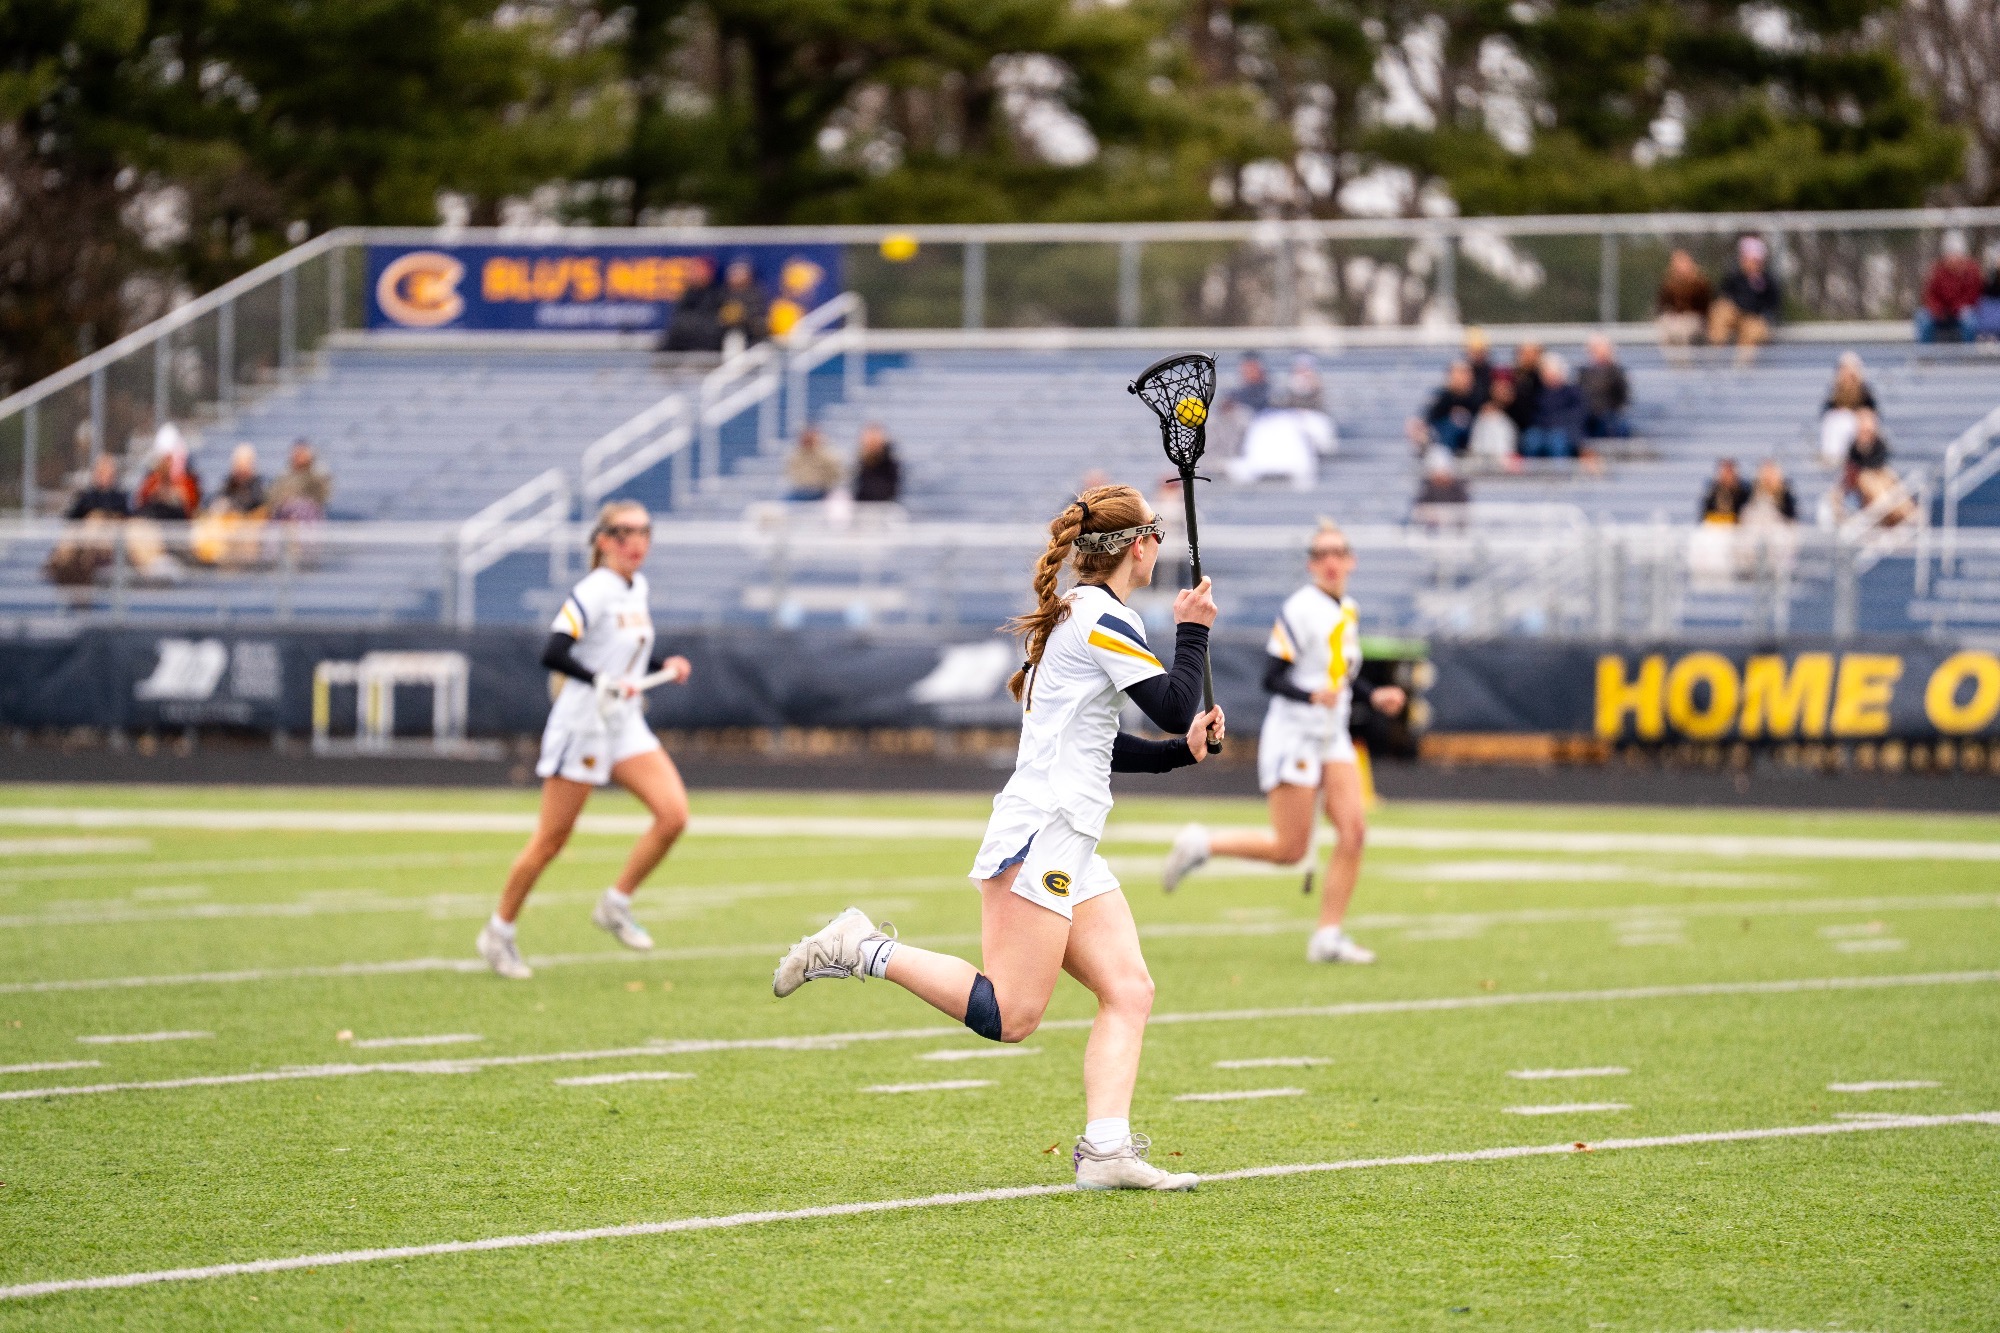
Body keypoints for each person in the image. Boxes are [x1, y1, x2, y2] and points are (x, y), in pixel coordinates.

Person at [771, 484, 1225, 1192]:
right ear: (1138, 545)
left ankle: (1106, 1150)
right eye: (1155, 534)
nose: (1158, 546)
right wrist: (1192, 630)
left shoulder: (1080, 614)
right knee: (1011, 1015)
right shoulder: (1100, 616)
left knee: (1129, 988)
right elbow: (1171, 705)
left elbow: (1098, 744)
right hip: (1041, 835)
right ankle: (862, 947)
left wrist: (1180, 754)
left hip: (1068, 836)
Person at [1163, 519, 1404, 965]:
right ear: (1311, 564)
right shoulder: (1300, 608)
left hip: (1331, 734)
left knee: (1354, 831)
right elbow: (1272, 677)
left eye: (1337, 553)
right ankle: (1203, 844)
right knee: (1291, 849)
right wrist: (1312, 696)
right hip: (1295, 732)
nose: (1330, 562)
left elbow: (1340, 675)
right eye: (1320, 554)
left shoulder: (1347, 609)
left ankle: (1328, 935)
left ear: (1350, 561)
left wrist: (1373, 695)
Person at [477, 501, 694, 980]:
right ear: (604, 540)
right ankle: (498, 930)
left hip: (623, 723)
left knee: (673, 815)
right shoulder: (593, 590)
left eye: (644, 531)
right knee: (551, 840)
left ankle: (616, 903)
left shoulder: (637, 587)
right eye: (625, 532)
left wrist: (664, 665)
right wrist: (601, 681)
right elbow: (554, 651)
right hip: (584, 725)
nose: (636, 542)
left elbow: (623, 650)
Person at [1709, 236, 1782, 366]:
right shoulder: (1734, 277)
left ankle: (1741, 367)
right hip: (1734, 315)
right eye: (1747, 259)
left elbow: (1772, 304)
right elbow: (1722, 296)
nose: (1751, 264)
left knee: (1753, 330)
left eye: (1755, 260)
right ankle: (1715, 357)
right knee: (1721, 309)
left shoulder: (1768, 281)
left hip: (1753, 318)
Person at [1841, 409, 1913, 524]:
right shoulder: (1854, 447)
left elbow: (1879, 462)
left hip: (1879, 478)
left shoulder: (1879, 443)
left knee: (1889, 478)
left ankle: (1903, 511)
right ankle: (1893, 509)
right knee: (1869, 479)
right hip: (1861, 484)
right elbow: (1857, 468)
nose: (1866, 429)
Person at [1916, 233, 1983, 343]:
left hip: (1961, 311)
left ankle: (1969, 352)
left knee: (1970, 321)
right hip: (1940, 312)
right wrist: (1938, 310)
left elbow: (1972, 296)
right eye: (1950, 255)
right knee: (1922, 317)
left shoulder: (1972, 271)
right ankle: (1925, 352)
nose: (1953, 258)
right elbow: (1930, 295)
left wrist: (1954, 309)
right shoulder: (1937, 270)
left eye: (1956, 255)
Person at [1521, 353, 1586, 459]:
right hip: (1541, 430)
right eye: (1546, 373)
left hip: (1564, 431)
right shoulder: (1537, 393)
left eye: (1552, 373)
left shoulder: (1572, 393)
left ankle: (1559, 469)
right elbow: (1532, 416)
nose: (1549, 376)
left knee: (1556, 441)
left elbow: (1576, 416)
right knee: (1531, 439)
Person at [1818, 352, 1877, 467]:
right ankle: (1833, 459)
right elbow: (1826, 412)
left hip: (1858, 427)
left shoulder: (1865, 392)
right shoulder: (1834, 392)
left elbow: (1872, 412)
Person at [1407, 360, 1479, 455]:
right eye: (1460, 374)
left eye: (1467, 374)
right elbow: (1422, 420)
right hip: (1442, 448)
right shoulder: (1441, 397)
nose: (1464, 378)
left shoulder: (1477, 398)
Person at [1655, 250, 1713, 364]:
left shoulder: (1699, 282)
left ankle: (1685, 365)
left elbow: (1705, 305)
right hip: (1675, 318)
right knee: (1665, 327)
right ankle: (1673, 363)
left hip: (1696, 319)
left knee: (1681, 330)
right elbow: (1662, 305)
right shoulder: (1669, 283)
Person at [1578, 335, 1631, 438]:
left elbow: (1622, 397)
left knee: (1613, 424)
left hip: (1610, 414)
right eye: (1595, 349)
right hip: (1589, 415)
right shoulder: (1583, 372)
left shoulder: (1616, 371)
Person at [267, 440, 332, 521]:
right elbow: (273, 497)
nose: (299, 457)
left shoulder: (317, 475)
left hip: (308, 517)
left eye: (302, 453)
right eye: (297, 454)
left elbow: (323, 495)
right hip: (284, 516)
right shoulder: (284, 477)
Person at [716, 258, 770, 350]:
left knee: (736, 336)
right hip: (719, 343)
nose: (735, 277)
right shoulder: (720, 295)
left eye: (739, 273)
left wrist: (742, 318)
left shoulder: (757, 296)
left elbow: (760, 323)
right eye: (733, 273)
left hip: (753, 343)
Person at [783, 426, 844, 502]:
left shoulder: (829, 456)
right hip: (800, 492)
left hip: (823, 492)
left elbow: (836, 476)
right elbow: (792, 476)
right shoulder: (795, 456)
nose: (808, 441)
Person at [1467, 377, 1518, 466]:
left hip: (1505, 459)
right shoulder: (1482, 413)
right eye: (1499, 388)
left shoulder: (1518, 411)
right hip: (1481, 459)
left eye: (1505, 389)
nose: (1502, 392)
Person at [851, 423, 901, 503]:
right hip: (861, 506)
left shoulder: (890, 464)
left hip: (883, 506)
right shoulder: (859, 463)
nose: (871, 443)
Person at [1504, 342, 1544, 434]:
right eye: (1525, 354)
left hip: (1537, 423)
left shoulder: (1542, 378)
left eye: (1531, 354)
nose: (1528, 358)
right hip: (1514, 421)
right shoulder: (1512, 376)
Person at [1700, 458, 1751, 523]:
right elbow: (1705, 516)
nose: (1728, 474)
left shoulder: (1745, 493)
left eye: (1730, 471)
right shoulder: (1711, 493)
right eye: (1725, 471)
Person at [1462, 327, 1496, 407]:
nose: (1477, 355)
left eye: (1480, 351)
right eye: (1474, 351)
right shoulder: (1462, 374)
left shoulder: (1492, 374)